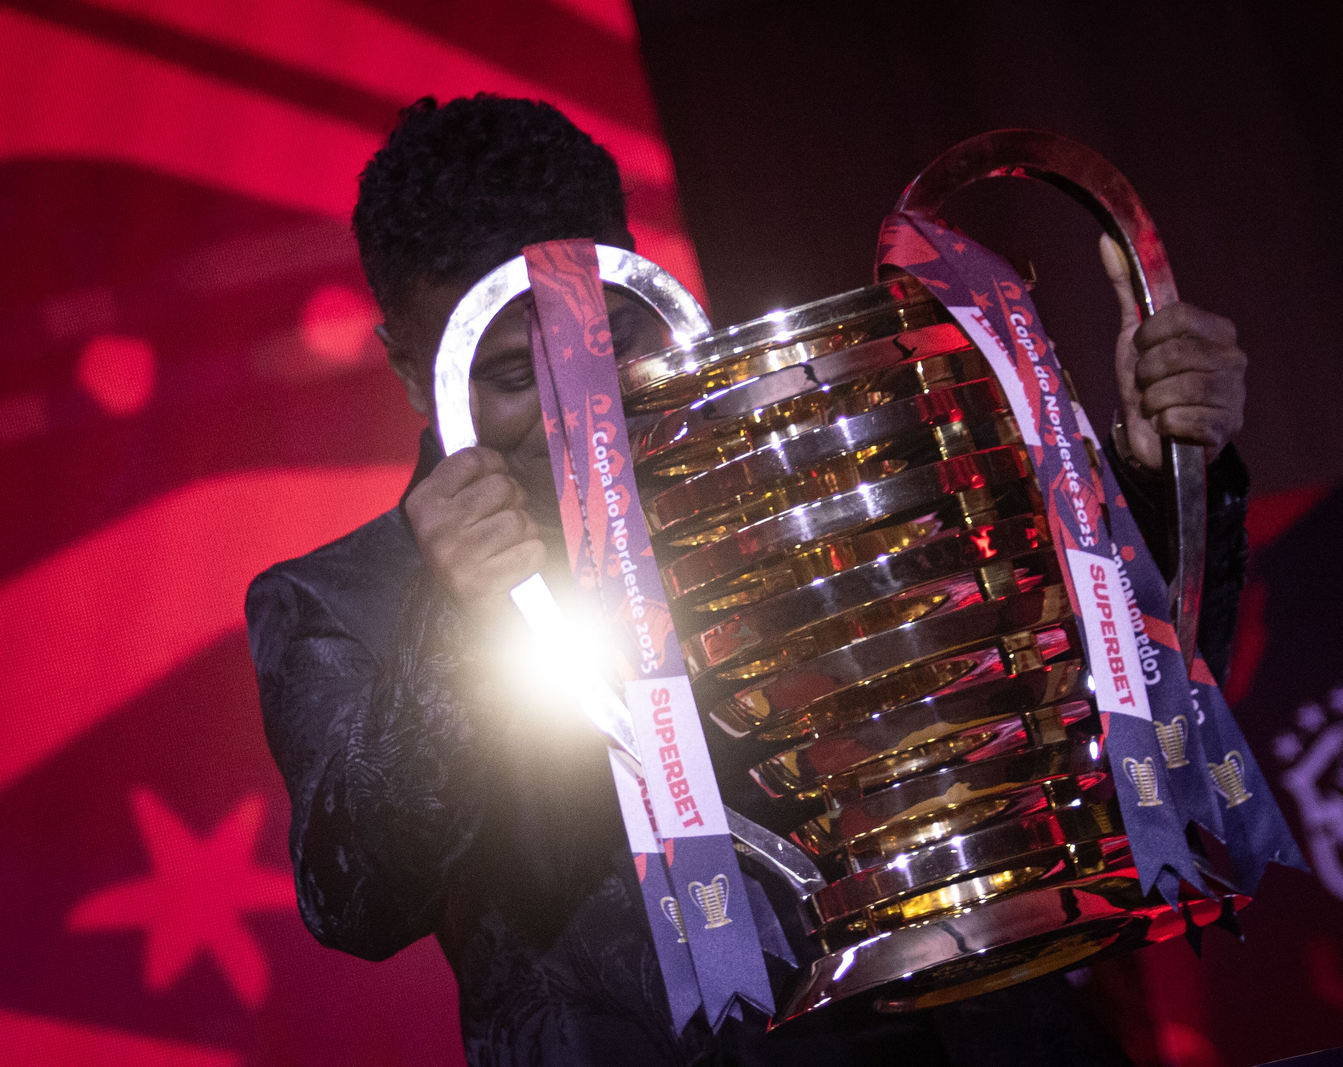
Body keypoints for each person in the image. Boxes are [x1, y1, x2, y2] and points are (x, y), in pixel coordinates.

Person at [246, 94, 1251, 1067]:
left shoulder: (802, 463)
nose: (571, 405)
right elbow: (355, 899)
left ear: (643, 286)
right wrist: (453, 629)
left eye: (606, 344)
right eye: (511, 375)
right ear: (410, 368)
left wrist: (1157, 474)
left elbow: (1093, 712)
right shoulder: (345, 599)